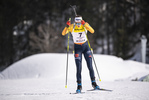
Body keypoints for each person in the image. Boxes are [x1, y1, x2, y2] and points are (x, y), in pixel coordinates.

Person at [62, 15, 100, 93]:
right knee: (79, 68)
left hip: (86, 47)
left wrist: (85, 24)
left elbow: (92, 31)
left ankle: (94, 83)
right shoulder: (72, 27)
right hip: (77, 48)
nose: (79, 24)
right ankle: (79, 86)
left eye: (80, 22)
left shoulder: (85, 25)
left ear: (81, 21)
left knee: (90, 66)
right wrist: (67, 26)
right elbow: (63, 33)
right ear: (75, 22)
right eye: (77, 23)